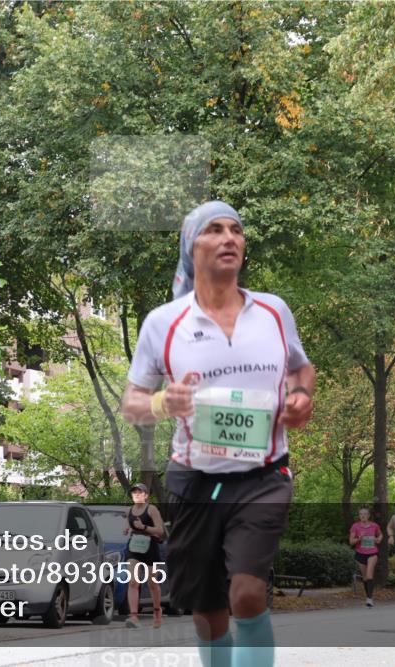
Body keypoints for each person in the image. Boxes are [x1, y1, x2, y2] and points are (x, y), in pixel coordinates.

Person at [121, 201, 315, 667]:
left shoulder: (273, 311)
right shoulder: (163, 323)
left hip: (264, 476)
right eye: (215, 230)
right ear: (192, 246)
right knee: (207, 608)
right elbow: (131, 404)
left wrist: (301, 398)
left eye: (236, 230)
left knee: (246, 593)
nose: (229, 237)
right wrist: (163, 402)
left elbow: (300, 370)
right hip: (195, 482)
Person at [123, 483, 166, 629]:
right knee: (133, 582)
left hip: (150, 547)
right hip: (134, 546)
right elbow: (127, 524)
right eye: (134, 493)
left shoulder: (152, 509)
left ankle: (157, 611)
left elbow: (160, 531)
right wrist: (126, 528)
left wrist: (144, 527)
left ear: (146, 495)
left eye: (140, 493)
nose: (136, 495)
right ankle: (133, 616)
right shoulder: (130, 510)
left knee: (152, 583)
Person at [349, 506, 383, 608]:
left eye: (365, 514)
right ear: (359, 516)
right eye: (361, 514)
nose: (363, 516)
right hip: (360, 554)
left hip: (372, 553)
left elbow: (381, 535)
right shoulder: (355, 526)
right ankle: (368, 597)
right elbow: (351, 542)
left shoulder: (374, 526)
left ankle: (369, 599)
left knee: (369, 575)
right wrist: (359, 538)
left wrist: (378, 539)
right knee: (364, 577)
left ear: (368, 515)